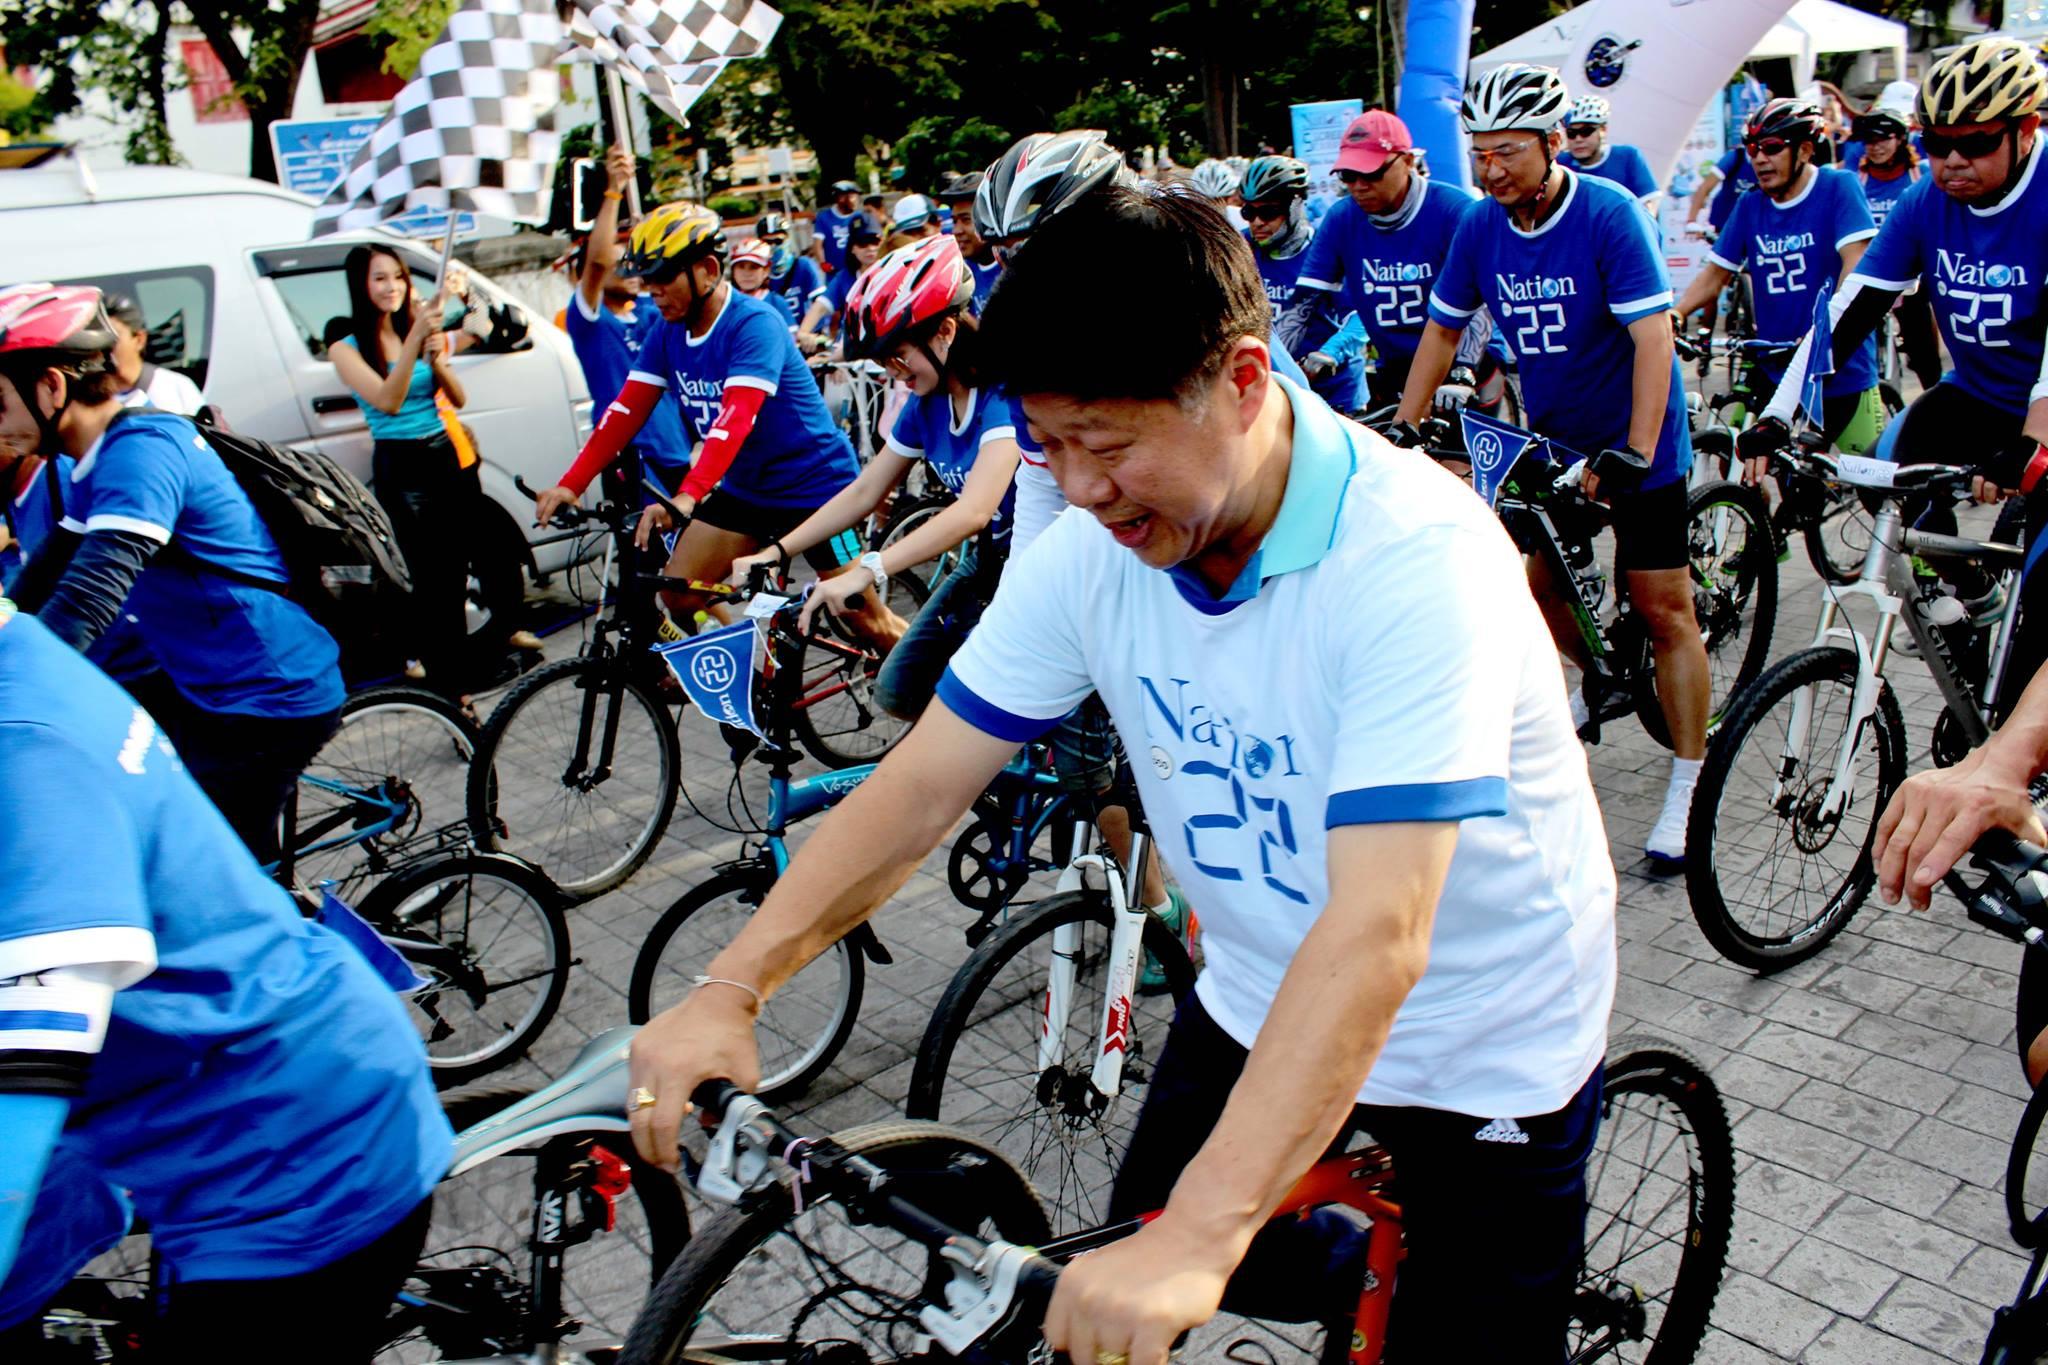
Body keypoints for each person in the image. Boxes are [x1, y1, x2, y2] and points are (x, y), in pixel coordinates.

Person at [624, 182, 1617, 1362]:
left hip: (1476, 1030)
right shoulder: (1095, 549)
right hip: (1257, 989)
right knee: (1165, 1234)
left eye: (1104, 446)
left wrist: (1200, 1233)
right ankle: (1368, 1272)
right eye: (1046, 446)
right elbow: (920, 787)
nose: (1080, 489)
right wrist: (730, 988)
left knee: (1407, 1315)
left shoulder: (1415, 559)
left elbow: (1379, 932)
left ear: (1240, 382)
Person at [0, 597, 451, 1361]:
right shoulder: (23, 664)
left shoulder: (25, 749)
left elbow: (24, 1082)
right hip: (208, 1094)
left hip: (291, 1160)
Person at [1397, 62, 1707, 869]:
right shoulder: (1482, 226)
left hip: (1637, 436)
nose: (1491, 170)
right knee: (1539, 587)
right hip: (1557, 440)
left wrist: (1636, 449)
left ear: (1553, 142)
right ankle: (1597, 676)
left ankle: (1690, 777)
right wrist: (1403, 425)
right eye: (1480, 153)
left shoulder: (1608, 213)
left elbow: (1654, 339)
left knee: (1664, 608)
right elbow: (1442, 329)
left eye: (1508, 151)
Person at [1740, 36, 2048, 699]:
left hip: (2044, 407)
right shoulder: (1925, 200)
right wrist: (1777, 414)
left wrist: (2035, 440)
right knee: (1884, 470)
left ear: (2026, 131)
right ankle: (1974, 597)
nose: (1953, 161)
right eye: (1936, 144)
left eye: (1976, 143)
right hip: (1981, 392)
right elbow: (1850, 310)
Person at [0, 284, 345, 866]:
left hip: (270, 695)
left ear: (52, 386)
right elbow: (45, 576)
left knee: (214, 873)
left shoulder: (143, 451)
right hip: (208, 689)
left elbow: (88, 597)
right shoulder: (93, 460)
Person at [532, 205, 885, 639]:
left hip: (816, 487)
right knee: (677, 594)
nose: (653, 291)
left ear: (708, 270)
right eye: (647, 279)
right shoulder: (667, 331)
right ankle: (745, 673)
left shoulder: (754, 323)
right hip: (748, 489)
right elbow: (625, 411)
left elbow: (735, 419)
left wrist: (688, 495)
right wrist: (572, 483)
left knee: (863, 617)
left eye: (664, 277)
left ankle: (928, 673)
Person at [729, 235, 1020, 718]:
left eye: (897, 355)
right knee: (901, 690)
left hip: (1037, 559)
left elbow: (973, 511)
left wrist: (869, 569)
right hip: (993, 559)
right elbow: (865, 490)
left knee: (1016, 707)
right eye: (883, 362)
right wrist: (777, 551)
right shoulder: (927, 403)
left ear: (946, 331)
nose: (893, 372)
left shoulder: (1001, 394)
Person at [328, 243, 539, 683]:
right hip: (402, 465)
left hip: (445, 455)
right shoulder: (346, 349)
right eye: (379, 278)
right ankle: (450, 687)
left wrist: (436, 357)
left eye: (398, 277)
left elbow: (458, 396)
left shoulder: (423, 332)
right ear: (360, 285)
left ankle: (467, 671)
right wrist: (414, 343)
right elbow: (388, 401)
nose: (392, 287)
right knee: (431, 581)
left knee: (463, 568)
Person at [1673, 98, 1884, 450]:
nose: (1759, 158)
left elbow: (1855, 265)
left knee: (1869, 475)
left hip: (1842, 372)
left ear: (1805, 150)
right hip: (1777, 367)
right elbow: (1715, 275)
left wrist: (1827, 331)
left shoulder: (1838, 187)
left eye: (1771, 147)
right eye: (1752, 149)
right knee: (1761, 469)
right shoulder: (1750, 204)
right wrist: (1677, 313)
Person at [1287, 110, 1507, 416]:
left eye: (1372, 173)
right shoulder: (1341, 218)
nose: (1359, 186)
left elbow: (1480, 302)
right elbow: (1303, 305)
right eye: (1348, 175)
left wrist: (1464, 371)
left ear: (1407, 161)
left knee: (1460, 448)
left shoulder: (1455, 211)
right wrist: (1271, 368)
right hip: (1396, 367)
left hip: (1466, 364)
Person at [564, 144, 693, 501]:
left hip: (677, 451)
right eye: (622, 264)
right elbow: (597, 262)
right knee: (646, 538)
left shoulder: (652, 313)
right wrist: (614, 190)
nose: (632, 270)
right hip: (630, 454)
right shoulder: (590, 322)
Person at [1239, 154, 1366, 413]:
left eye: (1268, 212)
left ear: (1296, 205)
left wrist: (1331, 352)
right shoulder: (1239, 248)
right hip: (1274, 391)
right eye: (1249, 212)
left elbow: (1361, 317)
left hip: (1332, 392)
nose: (1257, 222)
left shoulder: (1326, 250)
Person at [1853, 98, 1944, 391]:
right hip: (1871, 267)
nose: (1875, 146)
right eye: (1869, 140)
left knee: (1921, 340)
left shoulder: (1923, 175)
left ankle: (1932, 388)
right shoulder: (1855, 180)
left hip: (1914, 272)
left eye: (1883, 139)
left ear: (1901, 139)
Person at [1557, 95, 1663, 217]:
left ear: (1603, 130)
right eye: (1571, 133)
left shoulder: (1627, 157)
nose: (1578, 139)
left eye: (1586, 131)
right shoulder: (1560, 163)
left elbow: (1648, 205)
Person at [101, 293, 204, 416]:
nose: (103, 346)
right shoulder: (89, 399)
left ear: (139, 339)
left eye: (112, 337)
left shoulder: (176, 387)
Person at [800, 218, 881, 355]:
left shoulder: (893, 271)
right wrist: (803, 333)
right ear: (852, 248)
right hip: (848, 348)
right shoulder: (845, 277)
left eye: (875, 242)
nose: (871, 248)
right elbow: (820, 307)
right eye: (863, 243)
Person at [937, 170, 1002, 310]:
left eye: (966, 220)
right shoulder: (962, 275)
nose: (956, 231)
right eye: (955, 221)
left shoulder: (1015, 270)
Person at [731, 238, 797, 327]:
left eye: (754, 267)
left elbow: (790, 334)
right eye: (741, 266)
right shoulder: (728, 304)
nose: (746, 273)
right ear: (733, 271)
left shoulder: (776, 302)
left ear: (766, 271)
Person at [814, 179, 865, 274]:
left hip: (856, 269)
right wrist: (823, 263)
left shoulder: (859, 216)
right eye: (852, 197)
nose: (856, 201)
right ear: (840, 198)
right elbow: (818, 244)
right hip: (834, 270)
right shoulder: (824, 217)